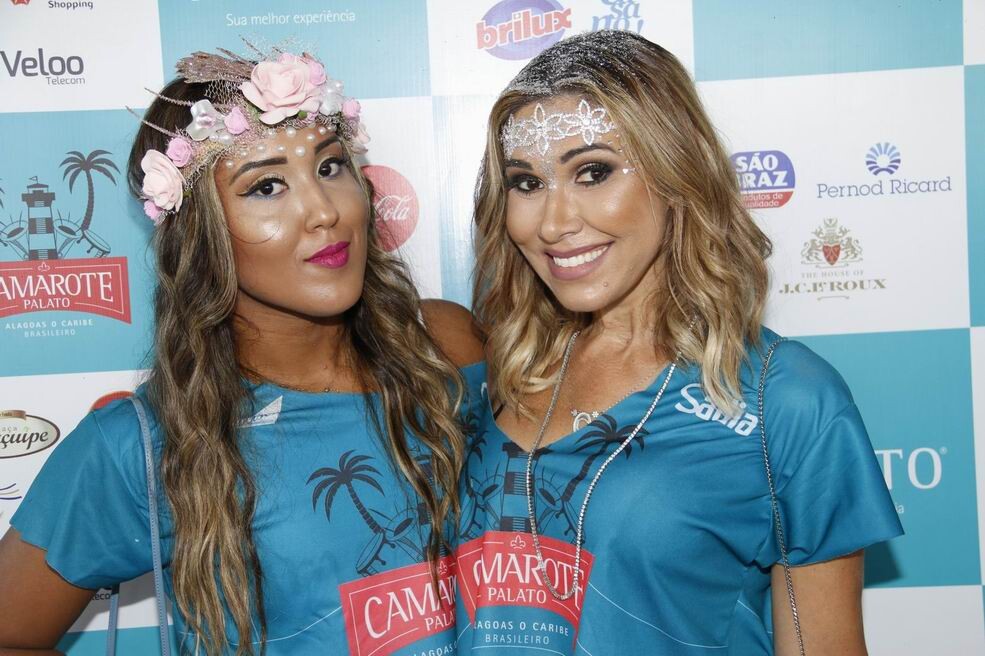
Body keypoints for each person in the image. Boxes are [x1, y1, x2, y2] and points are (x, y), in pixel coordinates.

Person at [0, 46, 484, 656]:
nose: (324, 212)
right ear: (199, 230)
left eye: (330, 166)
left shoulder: (448, 344)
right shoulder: (146, 443)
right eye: (267, 186)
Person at [456, 30, 902, 655]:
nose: (553, 223)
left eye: (593, 172)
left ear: (676, 173)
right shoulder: (494, 368)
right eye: (526, 183)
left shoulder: (787, 400)